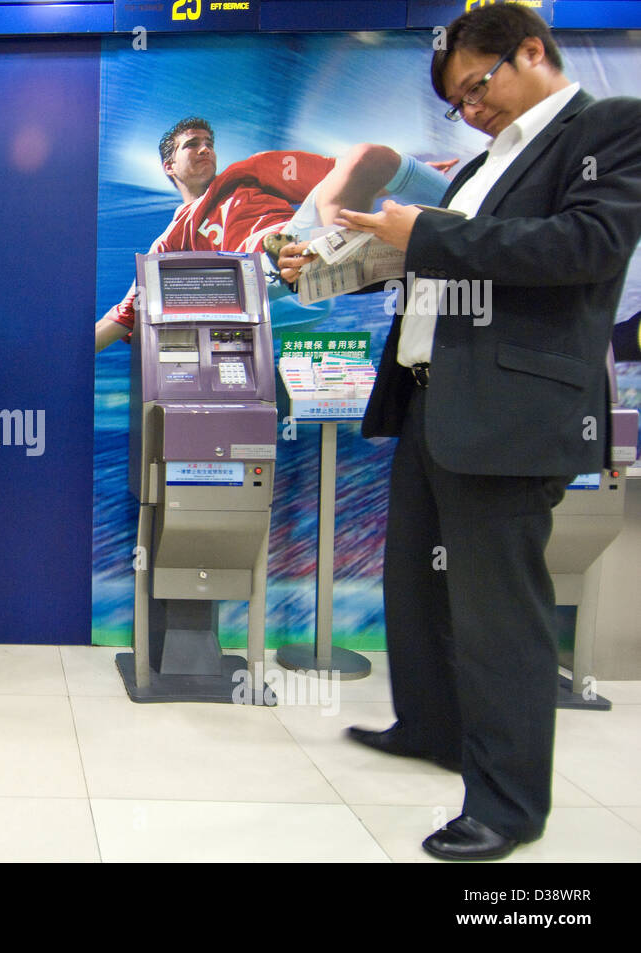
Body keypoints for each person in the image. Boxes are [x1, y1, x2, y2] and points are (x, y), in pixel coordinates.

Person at [282, 5, 641, 861]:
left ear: (530, 51)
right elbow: (427, 256)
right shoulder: (483, 165)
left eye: (476, 89)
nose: (470, 111)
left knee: (498, 618)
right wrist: (325, 265)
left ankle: (509, 805)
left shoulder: (609, 129)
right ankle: (432, 728)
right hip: (432, 403)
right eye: (456, 103)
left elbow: (585, 247)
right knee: (416, 588)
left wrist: (427, 230)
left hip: (513, 414)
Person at [94, 117, 455, 351]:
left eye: (209, 141)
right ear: (169, 166)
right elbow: (122, 316)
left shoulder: (247, 172)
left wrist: (401, 174)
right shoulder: (172, 239)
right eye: (191, 144)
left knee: (368, 156)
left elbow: (341, 177)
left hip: (298, 240)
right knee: (223, 276)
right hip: (258, 274)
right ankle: (321, 259)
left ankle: (465, 208)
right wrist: (64, 357)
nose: (205, 148)